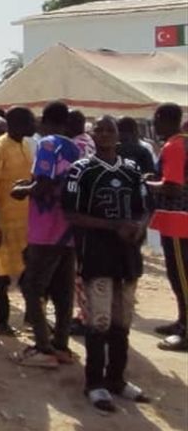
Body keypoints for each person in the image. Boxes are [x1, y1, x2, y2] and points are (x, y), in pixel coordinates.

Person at [62, 117, 151, 411]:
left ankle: (117, 379)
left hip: (127, 257)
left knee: (122, 321)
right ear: (92, 135)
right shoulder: (80, 170)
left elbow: (144, 208)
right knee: (98, 321)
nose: (103, 134)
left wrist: (138, 227)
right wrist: (114, 226)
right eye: (98, 130)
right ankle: (94, 383)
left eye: (109, 129)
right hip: (96, 255)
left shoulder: (132, 170)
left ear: (118, 136)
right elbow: (70, 213)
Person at [10, 101, 81, 368]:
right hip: (68, 230)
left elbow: (45, 185)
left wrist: (22, 190)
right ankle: (61, 345)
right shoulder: (76, 147)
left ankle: (42, 347)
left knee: (32, 287)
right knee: (63, 290)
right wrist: (31, 183)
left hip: (47, 228)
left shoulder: (48, 144)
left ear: (45, 120)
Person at [0, 107, 36, 336]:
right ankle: (1, 322)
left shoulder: (25, 145)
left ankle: (33, 319)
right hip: (2, 223)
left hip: (25, 224)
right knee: (0, 276)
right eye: (30, 121)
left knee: (29, 274)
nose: (35, 125)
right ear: (18, 124)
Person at [147, 103, 188, 351]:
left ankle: (186, 332)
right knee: (178, 275)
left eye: (156, 121)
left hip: (178, 220)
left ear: (163, 118)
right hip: (179, 219)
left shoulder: (174, 146)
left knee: (181, 276)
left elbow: (172, 186)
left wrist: (148, 183)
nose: (155, 126)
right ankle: (182, 321)